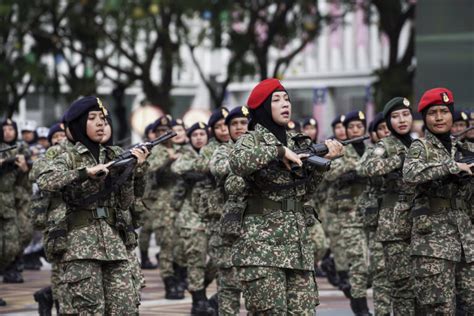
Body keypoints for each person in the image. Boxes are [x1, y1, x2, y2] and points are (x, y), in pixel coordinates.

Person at [228, 78, 343, 314]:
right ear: (262, 108)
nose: (285, 104)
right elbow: (238, 163)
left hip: (297, 245)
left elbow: (304, 192)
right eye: (277, 100)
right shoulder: (250, 140)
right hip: (262, 248)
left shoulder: (298, 141)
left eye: (287, 99)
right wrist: (279, 151)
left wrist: (323, 165)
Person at [37, 96, 149, 314]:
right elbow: (45, 180)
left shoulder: (115, 154)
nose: (101, 123)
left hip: (115, 243)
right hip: (80, 246)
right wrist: (84, 173)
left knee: (126, 308)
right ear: (79, 124)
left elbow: (126, 202)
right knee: (89, 310)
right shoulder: (67, 155)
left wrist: (133, 171)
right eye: (93, 118)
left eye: (103, 118)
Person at [403, 88, 473, 315]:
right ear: (425, 117)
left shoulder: (463, 148)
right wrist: (452, 167)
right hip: (432, 242)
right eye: (433, 112)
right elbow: (411, 174)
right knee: (440, 308)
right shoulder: (419, 147)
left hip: (466, 240)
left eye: (445, 111)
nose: (440, 117)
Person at [360, 100, 419, 315]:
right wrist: (399, 159)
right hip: (394, 222)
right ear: (388, 121)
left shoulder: (419, 144)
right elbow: (366, 167)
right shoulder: (385, 146)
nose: (402, 120)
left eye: (405, 114)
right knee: (401, 284)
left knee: (423, 284)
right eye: (395, 116)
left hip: (422, 221)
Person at [325, 110, 372, 315]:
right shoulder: (341, 150)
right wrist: (352, 169)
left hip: (373, 214)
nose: (355, 130)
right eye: (351, 127)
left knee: (375, 265)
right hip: (349, 214)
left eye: (359, 127)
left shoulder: (373, 150)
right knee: (359, 262)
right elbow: (330, 172)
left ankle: (356, 290)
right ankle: (359, 305)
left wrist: (359, 170)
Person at [171, 122, 216, 315]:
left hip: (214, 216)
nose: (199, 137)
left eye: (202, 134)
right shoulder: (187, 155)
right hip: (191, 217)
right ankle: (198, 300)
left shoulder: (214, 152)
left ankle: (198, 287)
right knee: (195, 259)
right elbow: (178, 167)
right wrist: (197, 171)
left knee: (217, 260)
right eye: (195, 134)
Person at [210, 106, 250, 314]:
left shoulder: (262, 148)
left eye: (243, 123)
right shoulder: (223, 150)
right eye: (234, 124)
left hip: (258, 226)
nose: (239, 128)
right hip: (230, 228)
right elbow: (220, 168)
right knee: (228, 287)